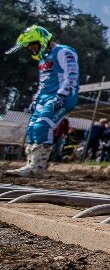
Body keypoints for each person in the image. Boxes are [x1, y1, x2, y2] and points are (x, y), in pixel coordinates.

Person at [4, 25, 80, 178]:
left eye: (33, 44)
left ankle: (37, 167)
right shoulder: (42, 59)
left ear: (42, 40)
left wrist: (62, 95)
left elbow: (71, 75)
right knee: (32, 129)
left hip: (60, 97)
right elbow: (43, 82)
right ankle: (30, 164)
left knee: (42, 126)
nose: (31, 48)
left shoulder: (64, 52)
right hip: (44, 97)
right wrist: (36, 98)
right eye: (29, 46)